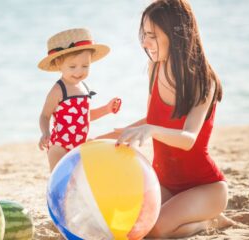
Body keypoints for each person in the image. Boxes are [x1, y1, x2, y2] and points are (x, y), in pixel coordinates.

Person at [100, 0, 235, 238]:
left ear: (176, 33)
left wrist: (151, 130)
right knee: (129, 227)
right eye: (144, 34)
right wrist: (101, 140)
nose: (145, 43)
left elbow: (188, 139)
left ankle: (207, 222)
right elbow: (153, 119)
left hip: (206, 188)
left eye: (152, 35)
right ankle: (195, 216)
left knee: (155, 230)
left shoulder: (205, 81)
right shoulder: (155, 69)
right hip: (164, 183)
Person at [38, 28, 121, 172]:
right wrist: (45, 133)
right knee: (60, 178)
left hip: (80, 144)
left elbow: (85, 116)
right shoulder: (58, 90)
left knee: (78, 178)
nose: (79, 72)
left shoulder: (84, 87)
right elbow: (45, 115)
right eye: (72, 66)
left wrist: (107, 109)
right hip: (60, 146)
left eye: (85, 66)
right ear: (59, 64)